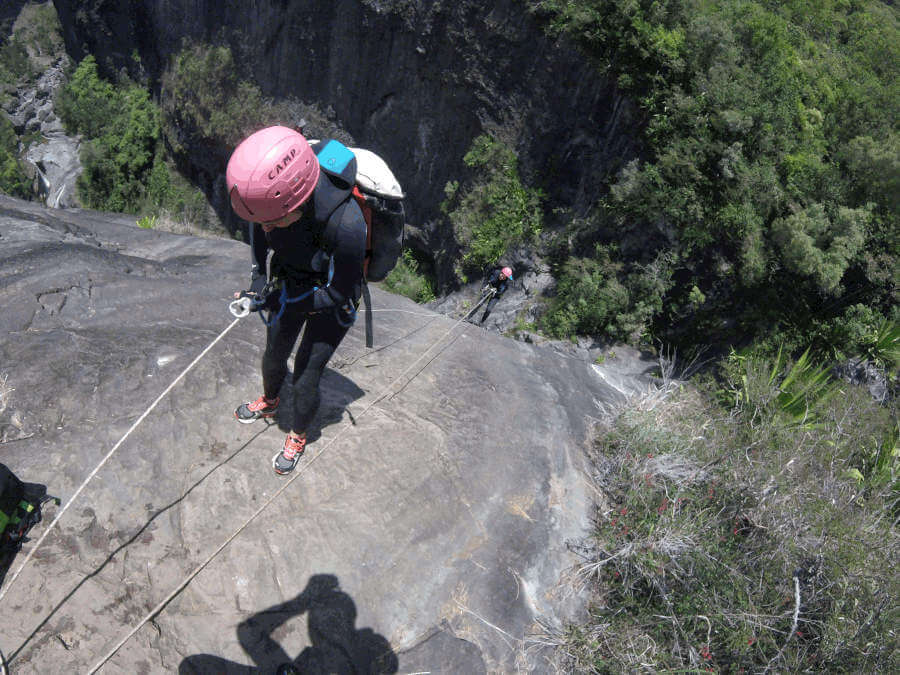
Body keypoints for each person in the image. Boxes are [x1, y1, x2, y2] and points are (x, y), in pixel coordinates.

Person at [226, 126, 366, 475]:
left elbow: (338, 291)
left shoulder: (347, 226)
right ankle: (271, 402)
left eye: (274, 222)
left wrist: (286, 299)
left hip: (333, 296)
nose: (268, 229)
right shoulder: (270, 203)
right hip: (294, 282)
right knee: (274, 353)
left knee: (306, 373)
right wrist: (260, 283)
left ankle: (299, 434)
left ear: (297, 203)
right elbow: (259, 231)